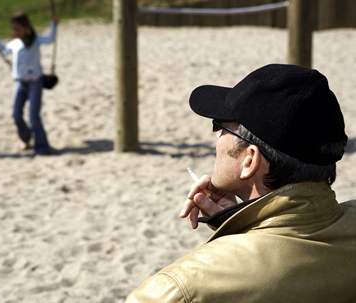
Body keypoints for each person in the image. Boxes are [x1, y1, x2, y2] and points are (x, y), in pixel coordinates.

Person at [126, 64, 356, 302]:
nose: (217, 138)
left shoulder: (180, 290)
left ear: (250, 160)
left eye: (220, 127)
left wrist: (237, 241)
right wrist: (241, 225)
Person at [0, 13, 58, 155]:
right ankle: (26, 138)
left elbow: (50, 39)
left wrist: (54, 25)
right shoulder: (15, 43)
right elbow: (4, 49)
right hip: (20, 82)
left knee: (33, 116)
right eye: (13, 29)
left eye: (17, 29)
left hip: (35, 83)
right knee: (16, 114)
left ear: (26, 28)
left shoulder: (36, 40)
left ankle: (42, 147)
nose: (14, 32)